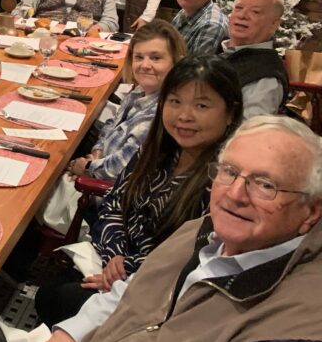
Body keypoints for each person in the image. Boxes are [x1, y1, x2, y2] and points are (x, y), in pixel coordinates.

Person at [0, 114, 322, 342]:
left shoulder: (297, 332)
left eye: (265, 185)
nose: (236, 194)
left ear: (311, 212)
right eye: (230, 172)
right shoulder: (209, 232)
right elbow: (133, 288)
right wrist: (69, 338)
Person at [35, 55, 243, 325]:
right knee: (51, 292)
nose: (184, 116)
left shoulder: (225, 182)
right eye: (175, 101)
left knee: (54, 298)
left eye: (202, 105)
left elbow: (196, 262)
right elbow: (114, 202)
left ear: (230, 113)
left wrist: (127, 271)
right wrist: (116, 257)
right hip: (112, 261)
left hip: (154, 296)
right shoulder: (157, 150)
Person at [67, 20, 186, 181]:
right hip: (100, 164)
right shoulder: (139, 91)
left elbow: (122, 168)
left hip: (108, 192)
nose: (145, 65)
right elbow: (112, 124)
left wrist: (87, 167)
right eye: (139, 57)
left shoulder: (161, 113)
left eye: (156, 58)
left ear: (177, 63)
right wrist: (97, 152)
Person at [220, 0, 288, 117]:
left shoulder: (265, 77)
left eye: (255, 12)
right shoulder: (223, 53)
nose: (242, 15)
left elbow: (250, 131)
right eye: (238, 8)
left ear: (274, 24)